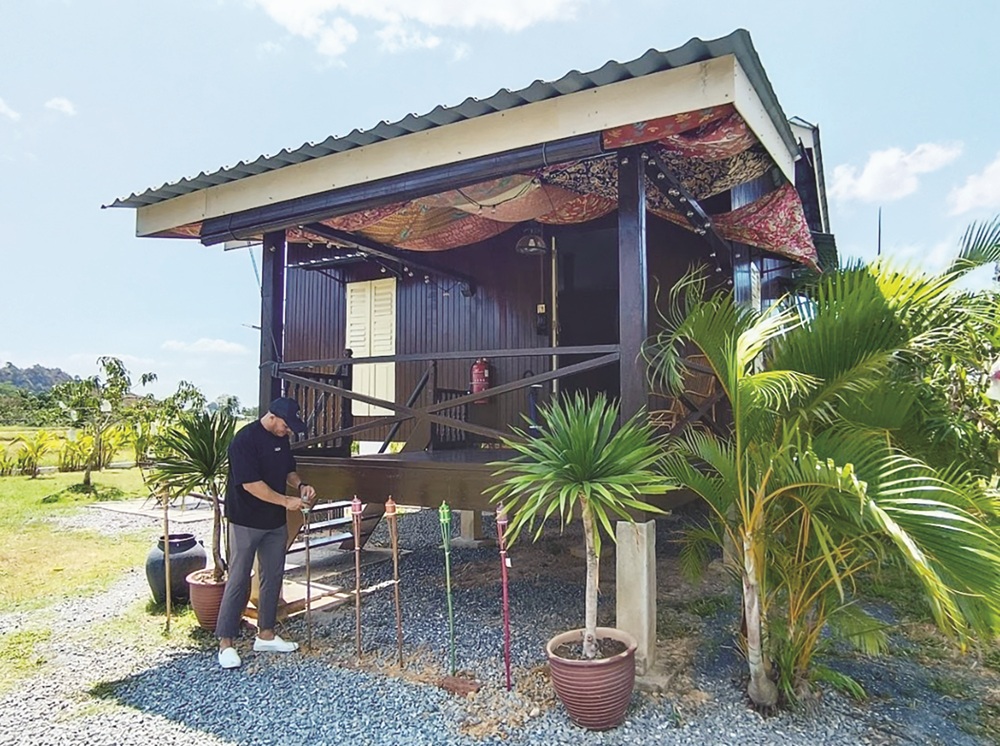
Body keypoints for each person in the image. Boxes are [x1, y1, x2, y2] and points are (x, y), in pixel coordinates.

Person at [216, 397, 317, 669]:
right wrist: (286, 501)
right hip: (245, 520)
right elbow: (251, 485)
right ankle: (226, 643)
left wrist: (301, 486)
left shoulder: (281, 439)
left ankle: (266, 634)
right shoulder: (244, 440)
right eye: (286, 425)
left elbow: (288, 470)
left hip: (274, 522)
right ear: (272, 417)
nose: (288, 430)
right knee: (239, 578)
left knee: (273, 576)